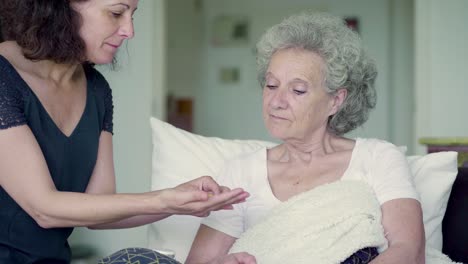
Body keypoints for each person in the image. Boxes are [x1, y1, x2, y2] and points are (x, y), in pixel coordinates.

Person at [0, 0, 249, 263]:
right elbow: (44, 208)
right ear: (59, 8)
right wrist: (162, 201)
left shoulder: (96, 89)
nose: (129, 31)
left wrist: (181, 200)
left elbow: (101, 207)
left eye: (132, 15)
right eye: (116, 13)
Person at [186, 12, 425, 264]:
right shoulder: (241, 172)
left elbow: (409, 251)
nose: (276, 102)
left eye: (298, 90)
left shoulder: (378, 158)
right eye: (270, 85)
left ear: (335, 100)